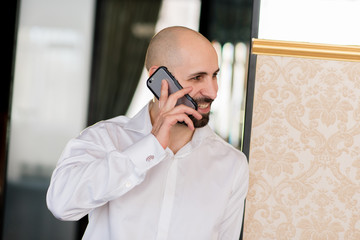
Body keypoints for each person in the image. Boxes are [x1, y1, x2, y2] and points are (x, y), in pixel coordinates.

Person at [47, 26, 249, 240]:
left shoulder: (232, 164)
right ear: (159, 78)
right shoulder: (103, 138)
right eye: (197, 77)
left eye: (214, 75)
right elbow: (61, 204)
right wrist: (149, 147)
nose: (213, 92)